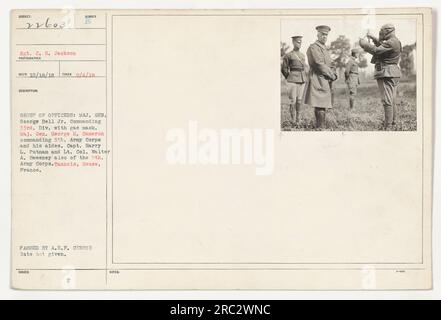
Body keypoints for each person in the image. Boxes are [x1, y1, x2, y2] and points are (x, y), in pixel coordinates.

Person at [359, 24, 402, 130]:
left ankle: (388, 126)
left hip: (387, 73)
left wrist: (365, 45)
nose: (380, 33)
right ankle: (393, 123)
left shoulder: (391, 42)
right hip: (393, 72)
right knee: (391, 100)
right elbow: (383, 48)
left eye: (381, 31)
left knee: (387, 100)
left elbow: (377, 50)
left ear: (388, 31)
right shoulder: (395, 41)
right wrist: (374, 39)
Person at [305, 25, 338, 129]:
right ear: (318, 34)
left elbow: (331, 64)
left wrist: (334, 73)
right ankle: (321, 128)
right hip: (318, 79)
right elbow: (319, 64)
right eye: (322, 34)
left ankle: (321, 127)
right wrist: (331, 75)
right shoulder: (314, 47)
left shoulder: (325, 49)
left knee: (323, 105)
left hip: (325, 79)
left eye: (326, 35)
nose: (324, 37)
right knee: (319, 105)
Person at [281, 35, 308, 126]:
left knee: (299, 100)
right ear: (293, 42)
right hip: (292, 80)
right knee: (293, 101)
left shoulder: (302, 55)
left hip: (301, 79)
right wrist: (289, 77)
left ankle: (298, 120)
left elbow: (304, 67)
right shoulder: (288, 55)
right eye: (297, 42)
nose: (299, 43)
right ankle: (293, 121)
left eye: (300, 42)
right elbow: (284, 68)